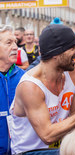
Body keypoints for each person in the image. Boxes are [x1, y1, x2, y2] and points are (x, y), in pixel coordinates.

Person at [9, 24, 75, 154]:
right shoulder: (31, 86)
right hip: (30, 151)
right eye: (72, 48)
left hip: (59, 148)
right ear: (56, 53)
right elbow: (47, 135)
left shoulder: (73, 71)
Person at [0, 25, 25, 154]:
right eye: (9, 43)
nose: (15, 47)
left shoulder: (24, 78)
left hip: (19, 150)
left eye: (15, 42)